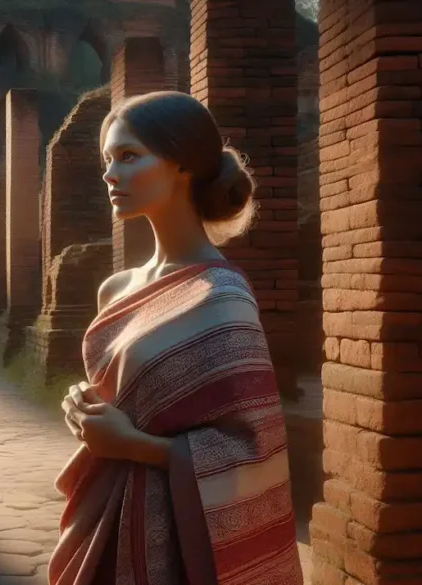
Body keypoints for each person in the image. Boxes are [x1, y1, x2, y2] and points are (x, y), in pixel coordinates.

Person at [48, 91, 303, 585]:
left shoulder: (221, 297)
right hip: (106, 510)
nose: (109, 173)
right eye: (107, 159)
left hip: (174, 534)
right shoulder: (116, 289)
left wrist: (134, 444)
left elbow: (253, 449)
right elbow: (125, 395)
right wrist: (83, 408)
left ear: (181, 164)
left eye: (128, 156)